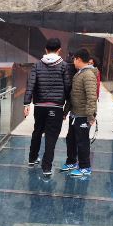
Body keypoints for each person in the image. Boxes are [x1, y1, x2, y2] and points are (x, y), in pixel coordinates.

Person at [24, 37, 71, 176]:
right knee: (51, 136)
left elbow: (30, 85)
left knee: (37, 131)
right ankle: (46, 167)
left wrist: (26, 103)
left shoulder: (37, 65)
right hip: (56, 107)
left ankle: (32, 159)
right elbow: (68, 86)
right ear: (59, 50)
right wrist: (68, 104)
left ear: (45, 49)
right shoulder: (64, 66)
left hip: (39, 106)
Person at [61, 49, 98, 177]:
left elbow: (92, 96)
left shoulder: (88, 75)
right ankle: (71, 162)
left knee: (82, 142)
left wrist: (90, 116)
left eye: (74, 59)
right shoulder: (79, 74)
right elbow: (73, 95)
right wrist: (66, 111)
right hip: (74, 114)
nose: (73, 62)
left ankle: (85, 167)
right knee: (70, 139)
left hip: (83, 115)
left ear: (78, 59)